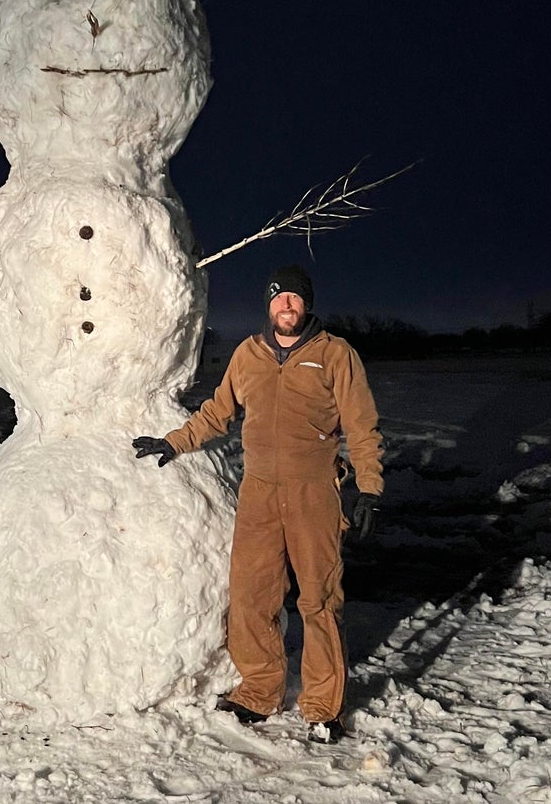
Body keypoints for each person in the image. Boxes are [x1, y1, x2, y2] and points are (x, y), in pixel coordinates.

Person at [132, 265, 384, 745]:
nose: (286, 305)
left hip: (314, 491)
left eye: (294, 298)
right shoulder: (248, 355)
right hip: (259, 491)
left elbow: (362, 425)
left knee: (319, 600)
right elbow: (217, 412)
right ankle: (260, 690)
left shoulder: (335, 354)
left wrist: (369, 488)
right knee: (251, 595)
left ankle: (323, 707)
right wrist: (174, 443)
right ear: (268, 306)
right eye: (278, 298)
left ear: (307, 305)